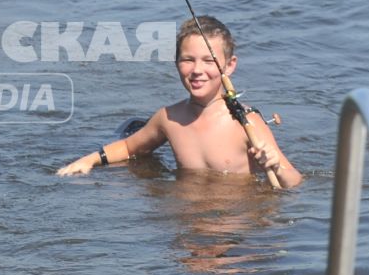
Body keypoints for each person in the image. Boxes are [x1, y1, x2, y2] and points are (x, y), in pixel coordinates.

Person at [56, 16, 303, 187]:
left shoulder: (246, 122)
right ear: (176, 63)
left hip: (235, 224)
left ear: (230, 66)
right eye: (188, 60)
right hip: (187, 220)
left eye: (209, 61)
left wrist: (275, 166)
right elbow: (131, 147)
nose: (197, 70)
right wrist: (87, 161)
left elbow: (294, 181)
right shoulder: (169, 118)